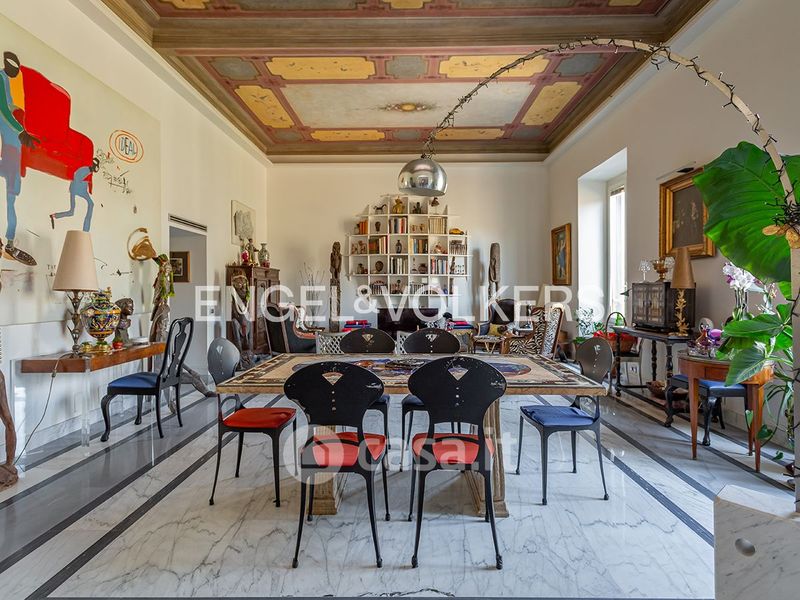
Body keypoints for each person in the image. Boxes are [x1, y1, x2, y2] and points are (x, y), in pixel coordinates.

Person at [0, 51, 38, 265]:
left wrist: (19, 124)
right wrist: (20, 129)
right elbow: (3, 109)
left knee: (12, 196)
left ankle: (10, 243)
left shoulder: (6, 80)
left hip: (12, 147)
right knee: (10, 195)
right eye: (13, 67)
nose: (16, 71)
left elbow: (8, 107)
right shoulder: (0, 78)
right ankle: (9, 243)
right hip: (9, 145)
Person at [50, 158, 100, 232]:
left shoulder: (87, 171)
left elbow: (79, 179)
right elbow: (76, 178)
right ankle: (85, 230)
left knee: (72, 211)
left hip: (77, 190)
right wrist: (83, 186)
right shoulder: (85, 170)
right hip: (78, 190)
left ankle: (54, 215)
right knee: (89, 205)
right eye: (95, 168)